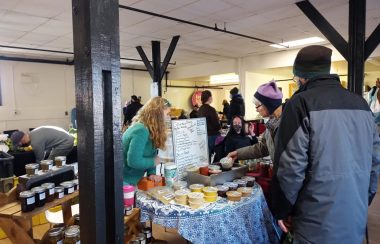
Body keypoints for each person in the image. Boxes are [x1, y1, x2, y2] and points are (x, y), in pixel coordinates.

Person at [271, 45, 380, 243]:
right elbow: (374, 163)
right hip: (354, 216)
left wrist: (282, 209)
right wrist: (363, 201)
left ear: (301, 76)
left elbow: (290, 168)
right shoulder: (361, 104)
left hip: (315, 223)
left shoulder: (300, 104)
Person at [227, 81, 283, 162]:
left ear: (268, 104)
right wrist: (238, 153)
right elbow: (262, 148)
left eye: (257, 106)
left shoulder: (287, 123)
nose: (256, 110)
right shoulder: (271, 123)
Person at [122, 97, 171, 185]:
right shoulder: (140, 130)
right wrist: (153, 162)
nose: (168, 117)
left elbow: (151, 154)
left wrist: (151, 174)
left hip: (135, 181)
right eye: (167, 114)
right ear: (158, 115)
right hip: (124, 182)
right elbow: (133, 161)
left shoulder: (151, 130)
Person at [198, 90, 221, 157]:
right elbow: (216, 124)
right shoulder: (211, 109)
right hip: (212, 136)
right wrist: (220, 128)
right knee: (215, 156)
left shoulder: (200, 109)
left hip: (203, 136)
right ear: (209, 97)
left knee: (206, 156)